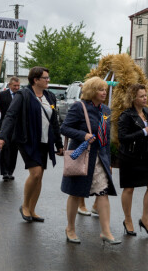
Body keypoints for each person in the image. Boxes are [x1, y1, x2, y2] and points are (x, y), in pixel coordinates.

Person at [0, 67, 63, 222]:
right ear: (36, 80)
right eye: (45, 78)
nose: (48, 80)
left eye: (48, 77)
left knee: (39, 177)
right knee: (36, 173)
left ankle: (32, 210)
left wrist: (58, 144)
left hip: (45, 141)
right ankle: (25, 206)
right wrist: (3, 137)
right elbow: (11, 116)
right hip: (27, 140)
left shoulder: (50, 97)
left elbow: (54, 122)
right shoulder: (23, 95)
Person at [60, 77, 119, 245]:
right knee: (75, 193)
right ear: (92, 90)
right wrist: (83, 135)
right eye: (101, 89)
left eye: (105, 89)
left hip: (99, 159)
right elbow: (64, 128)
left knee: (102, 192)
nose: (104, 92)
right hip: (81, 157)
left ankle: (106, 232)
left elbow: (105, 138)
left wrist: (108, 162)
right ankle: (70, 228)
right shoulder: (79, 107)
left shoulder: (106, 110)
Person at [118, 84, 148, 235]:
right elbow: (122, 138)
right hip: (130, 157)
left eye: (146, 95)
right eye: (141, 96)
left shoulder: (147, 112)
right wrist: (142, 132)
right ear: (133, 98)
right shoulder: (126, 116)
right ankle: (128, 220)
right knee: (129, 189)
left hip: (146, 156)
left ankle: (145, 219)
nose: (145, 98)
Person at [0, 77, 21, 181]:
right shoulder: (1, 96)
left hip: (17, 128)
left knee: (14, 150)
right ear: (9, 85)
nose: (17, 87)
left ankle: (10, 171)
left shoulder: (21, 96)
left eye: (18, 85)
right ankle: (4, 172)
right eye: (15, 85)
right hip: (5, 127)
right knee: (5, 149)